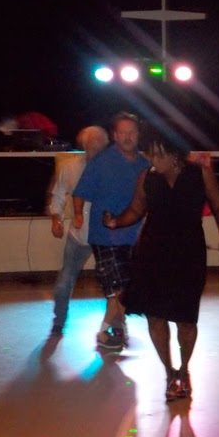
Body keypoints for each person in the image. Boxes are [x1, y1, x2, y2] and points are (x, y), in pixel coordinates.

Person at [102, 131, 219, 401]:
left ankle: (184, 370)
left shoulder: (199, 173)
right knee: (155, 316)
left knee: (186, 318)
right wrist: (116, 221)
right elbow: (136, 210)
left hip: (188, 253)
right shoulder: (147, 178)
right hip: (152, 255)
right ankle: (168, 372)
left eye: (156, 154)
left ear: (173, 154)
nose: (151, 159)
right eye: (149, 154)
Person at [72, 112, 150, 350]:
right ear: (115, 136)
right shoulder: (101, 161)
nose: (127, 137)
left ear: (138, 135)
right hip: (105, 235)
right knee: (118, 287)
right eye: (122, 132)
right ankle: (111, 329)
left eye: (131, 132)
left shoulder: (145, 164)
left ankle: (113, 328)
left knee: (120, 289)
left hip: (135, 236)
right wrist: (77, 214)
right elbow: (80, 192)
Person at [47, 126, 109, 336]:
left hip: (106, 235)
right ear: (84, 144)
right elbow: (58, 194)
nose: (95, 148)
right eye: (91, 143)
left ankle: (118, 325)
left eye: (99, 143)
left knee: (113, 284)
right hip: (78, 235)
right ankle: (59, 321)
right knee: (64, 282)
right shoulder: (70, 167)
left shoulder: (113, 169)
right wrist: (56, 219)